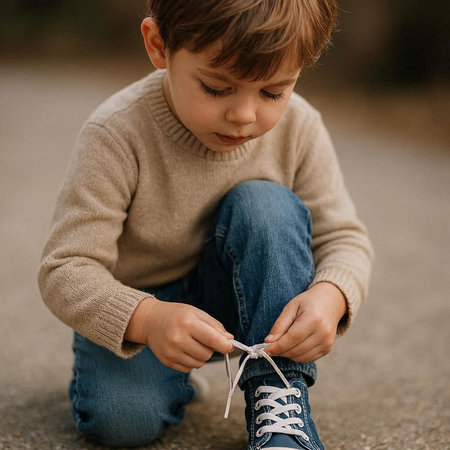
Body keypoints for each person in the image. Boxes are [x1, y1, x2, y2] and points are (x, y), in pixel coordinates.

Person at [38, 0, 374, 448]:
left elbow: (344, 238)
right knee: (122, 423)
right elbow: (65, 268)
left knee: (266, 204)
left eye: (273, 92)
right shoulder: (117, 133)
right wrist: (149, 319)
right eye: (217, 88)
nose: (244, 115)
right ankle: (168, 379)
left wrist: (331, 296)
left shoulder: (300, 127)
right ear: (159, 45)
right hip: (143, 312)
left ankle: (278, 393)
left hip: (247, 305)